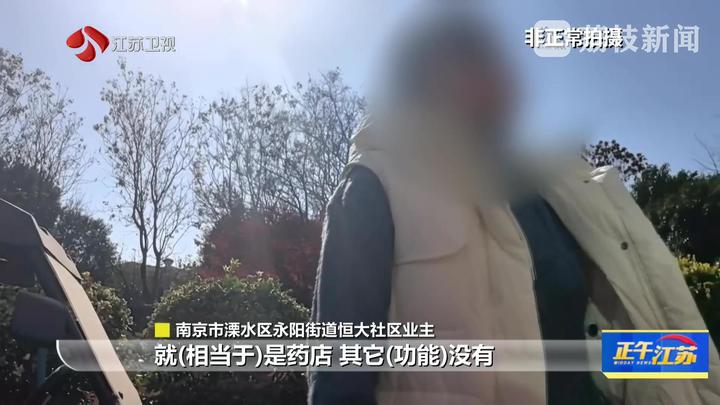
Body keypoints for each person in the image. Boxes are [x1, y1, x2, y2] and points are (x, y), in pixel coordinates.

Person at [308, 7, 720, 405]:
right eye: (466, 61)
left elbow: (602, 340)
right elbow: (339, 374)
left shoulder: (563, 190)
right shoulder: (375, 184)